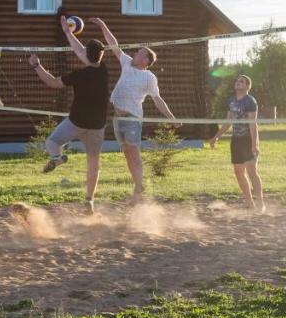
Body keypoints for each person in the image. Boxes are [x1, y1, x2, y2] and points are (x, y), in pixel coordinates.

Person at [28, 16, 110, 213]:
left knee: (51, 143)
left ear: (87, 55)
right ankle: (89, 200)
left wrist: (36, 65)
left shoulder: (78, 75)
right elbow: (82, 51)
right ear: (101, 55)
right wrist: (68, 32)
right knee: (93, 164)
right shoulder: (104, 71)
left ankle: (57, 157)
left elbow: (52, 82)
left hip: (76, 121)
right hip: (97, 124)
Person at [92, 18, 177, 203]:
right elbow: (113, 44)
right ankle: (137, 187)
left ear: (146, 60)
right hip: (118, 118)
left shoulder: (149, 77)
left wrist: (171, 117)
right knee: (127, 154)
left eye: (139, 53)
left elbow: (158, 100)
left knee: (134, 153)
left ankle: (139, 188)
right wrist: (102, 25)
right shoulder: (127, 63)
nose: (135, 53)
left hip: (132, 118)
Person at [209, 74, 265, 212]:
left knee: (252, 172)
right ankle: (249, 203)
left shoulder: (250, 101)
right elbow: (228, 122)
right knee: (239, 173)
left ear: (247, 86)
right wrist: (216, 137)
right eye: (237, 81)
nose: (238, 83)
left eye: (241, 82)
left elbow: (253, 124)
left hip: (247, 140)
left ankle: (260, 203)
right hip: (236, 141)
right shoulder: (231, 101)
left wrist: (254, 144)